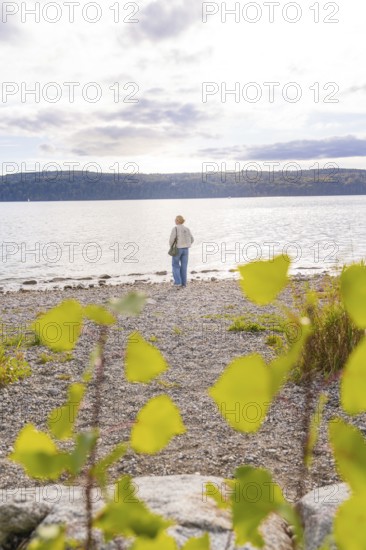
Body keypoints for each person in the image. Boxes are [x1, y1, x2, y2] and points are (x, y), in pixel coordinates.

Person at [169, 215, 194, 288]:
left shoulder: (175, 228)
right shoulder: (187, 229)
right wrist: (187, 244)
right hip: (186, 249)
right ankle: (184, 284)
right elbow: (192, 239)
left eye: (175, 219)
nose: (174, 221)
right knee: (184, 266)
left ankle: (177, 282)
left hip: (178, 249)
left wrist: (172, 247)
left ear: (177, 221)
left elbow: (171, 240)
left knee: (175, 265)